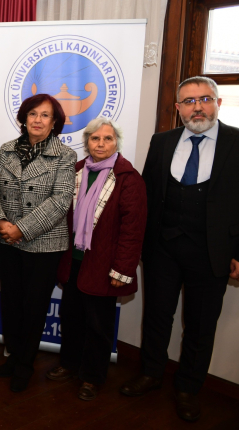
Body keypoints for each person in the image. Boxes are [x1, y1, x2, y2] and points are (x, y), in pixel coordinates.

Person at [120, 76, 239, 422]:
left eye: (204, 99)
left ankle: (188, 388)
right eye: (189, 101)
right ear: (178, 108)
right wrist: (139, 245)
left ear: (218, 103)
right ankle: (150, 374)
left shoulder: (236, 142)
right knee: (157, 316)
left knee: (201, 326)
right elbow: (146, 195)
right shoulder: (162, 141)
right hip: (162, 249)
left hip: (212, 253)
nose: (197, 107)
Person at [45, 118, 146, 401]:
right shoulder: (76, 170)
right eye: (95, 138)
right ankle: (69, 364)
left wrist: (122, 269)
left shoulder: (128, 178)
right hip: (73, 261)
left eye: (107, 139)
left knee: (98, 325)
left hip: (104, 265)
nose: (101, 144)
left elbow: (133, 229)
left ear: (116, 143)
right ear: (87, 141)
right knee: (71, 317)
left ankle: (92, 377)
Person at [0, 93, 76, 393]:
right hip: (7, 240)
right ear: (24, 118)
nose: (38, 120)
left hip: (44, 244)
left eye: (45, 115)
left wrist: (22, 230)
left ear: (55, 123)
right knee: (11, 303)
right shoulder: (6, 149)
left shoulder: (65, 156)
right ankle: (14, 356)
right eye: (32, 114)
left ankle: (25, 365)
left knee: (34, 307)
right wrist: (1, 222)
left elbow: (61, 201)